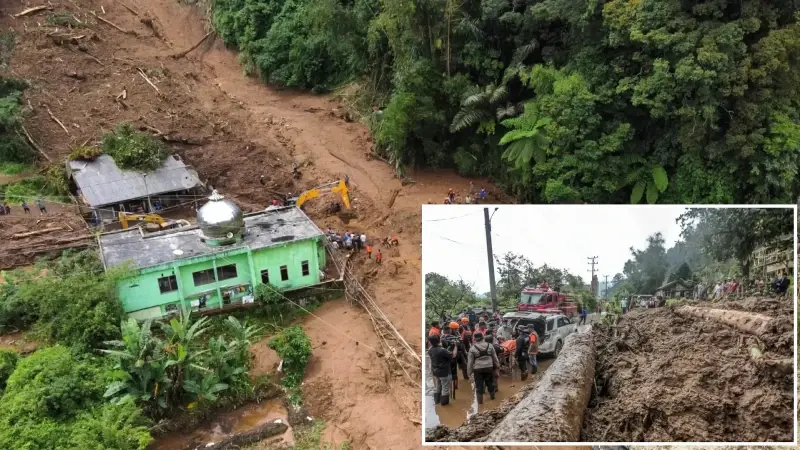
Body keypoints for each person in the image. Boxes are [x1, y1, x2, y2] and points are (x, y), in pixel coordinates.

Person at [467, 332, 499, 404]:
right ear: (483, 337)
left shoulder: (472, 348)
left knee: (479, 386)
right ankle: (493, 399)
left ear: (475, 339)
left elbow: (470, 362)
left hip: (478, 368)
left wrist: (469, 373)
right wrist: (497, 366)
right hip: (489, 367)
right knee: (490, 383)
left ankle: (480, 404)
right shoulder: (490, 345)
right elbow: (495, 358)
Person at [428, 334, 456, 406]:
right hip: (444, 372)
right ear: (439, 341)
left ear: (430, 342)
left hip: (436, 372)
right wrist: (456, 347)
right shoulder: (442, 350)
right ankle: (444, 405)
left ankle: (437, 402)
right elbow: (453, 355)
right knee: (445, 388)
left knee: (438, 386)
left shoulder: (430, 350)